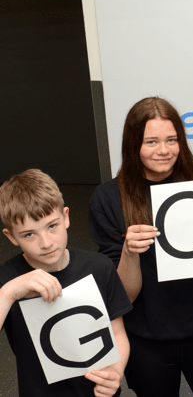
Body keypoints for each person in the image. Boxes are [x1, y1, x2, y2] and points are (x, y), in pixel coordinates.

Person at [89, 97, 193, 397]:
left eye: (172, 139)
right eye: (151, 141)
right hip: (147, 338)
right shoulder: (108, 199)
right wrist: (129, 253)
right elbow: (125, 295)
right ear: (132, 144)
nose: (164, 150)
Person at [0, 169, 132, 397]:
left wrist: (116, 371)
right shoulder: (7, 279)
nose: (46, 243)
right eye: (29, 234)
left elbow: (117, 332)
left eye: (52, 226)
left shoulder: (99, 267)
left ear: (66, 217)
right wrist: (9, 292)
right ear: (11, 237)